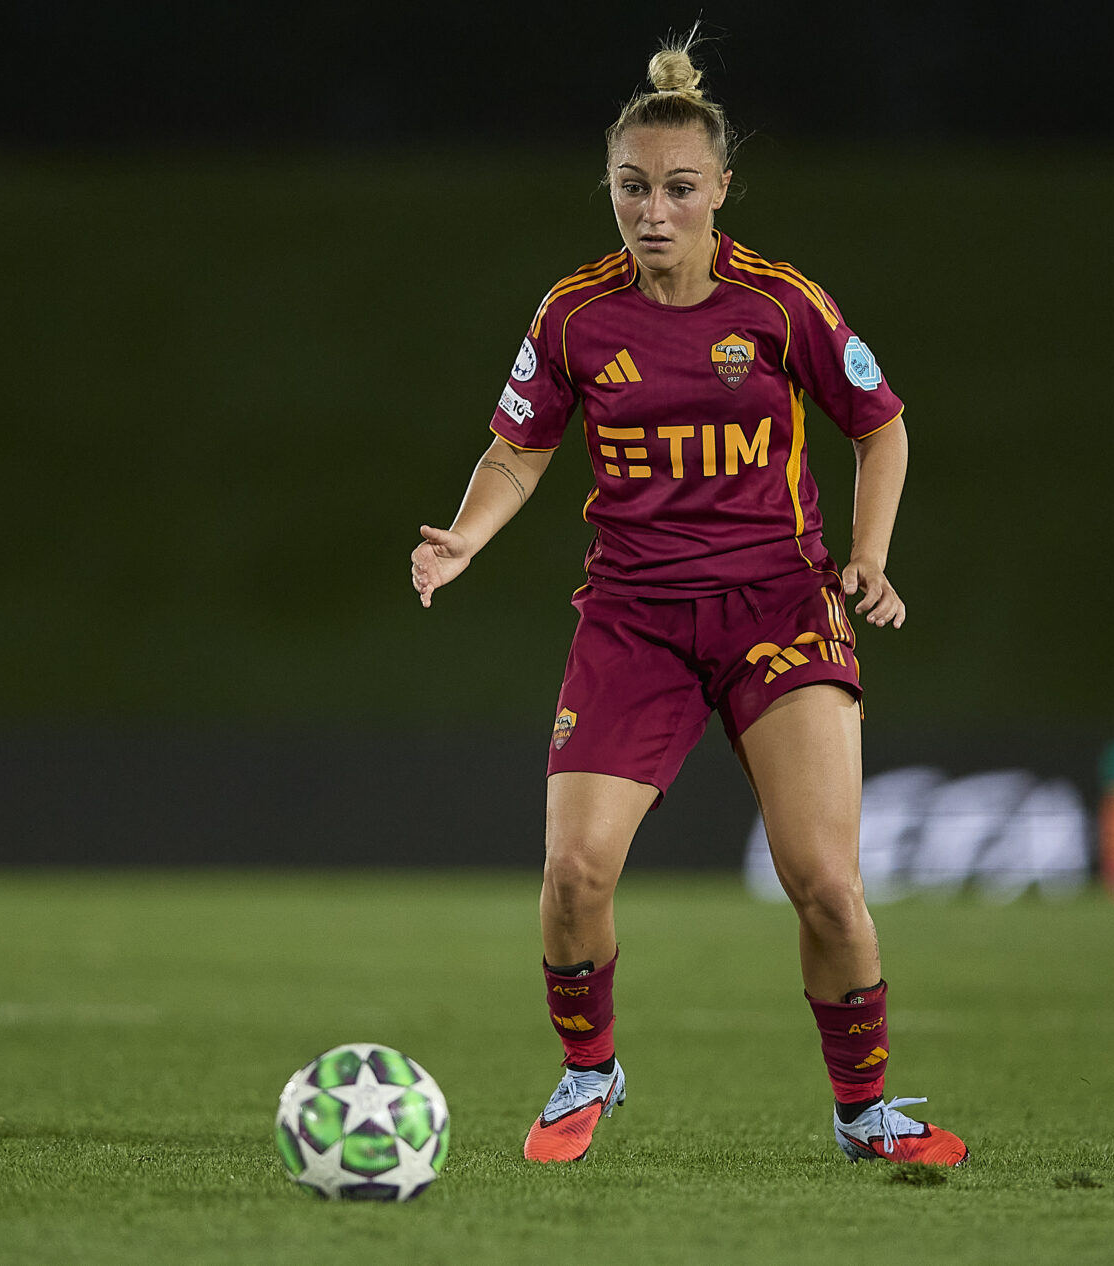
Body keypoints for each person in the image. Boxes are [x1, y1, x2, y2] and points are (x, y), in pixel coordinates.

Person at [409, 37, 967, 1168]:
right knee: (572, 877)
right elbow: (518, 448)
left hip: (777, 607)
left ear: (718, 190)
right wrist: (468, 533)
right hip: (635, 619)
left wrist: (867, 555)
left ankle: (865, 1113)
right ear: (608, 188)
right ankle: (588, 1070)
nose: (651, 213)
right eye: (630, 188)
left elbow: (880, 423)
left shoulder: (779, 304)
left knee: (824, 886)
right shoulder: (574, 315)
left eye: (675, 189)